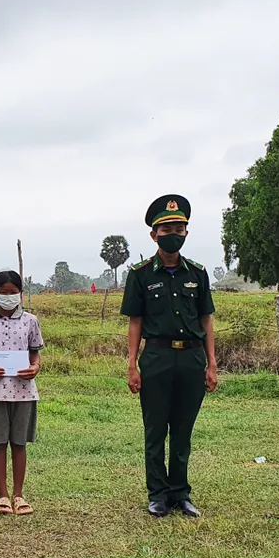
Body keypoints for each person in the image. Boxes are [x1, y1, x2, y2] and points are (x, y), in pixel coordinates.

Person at [121, 195, 217, 518]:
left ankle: (180, 493)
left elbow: (206, 319)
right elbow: (135, 322)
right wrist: (132, 364)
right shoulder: (141, 274)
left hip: (191, 360)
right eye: (166, 229)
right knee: (155, 430)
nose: (172, 232)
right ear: (154, 235)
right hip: (157, 358)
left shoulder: (198, 274)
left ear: (186, 232)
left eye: (178, 227)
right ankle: (157, 495)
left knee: (183, 430)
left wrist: (212, 363)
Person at [0, 271, 43, 516]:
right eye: (3, 293)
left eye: (13, 293)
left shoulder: (30, 320)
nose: (8, 297)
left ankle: (19, 495)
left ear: (21, 294)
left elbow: (35, 352)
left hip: (24, 391)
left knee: (19, 443)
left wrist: (35, 367)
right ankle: (2, 495)